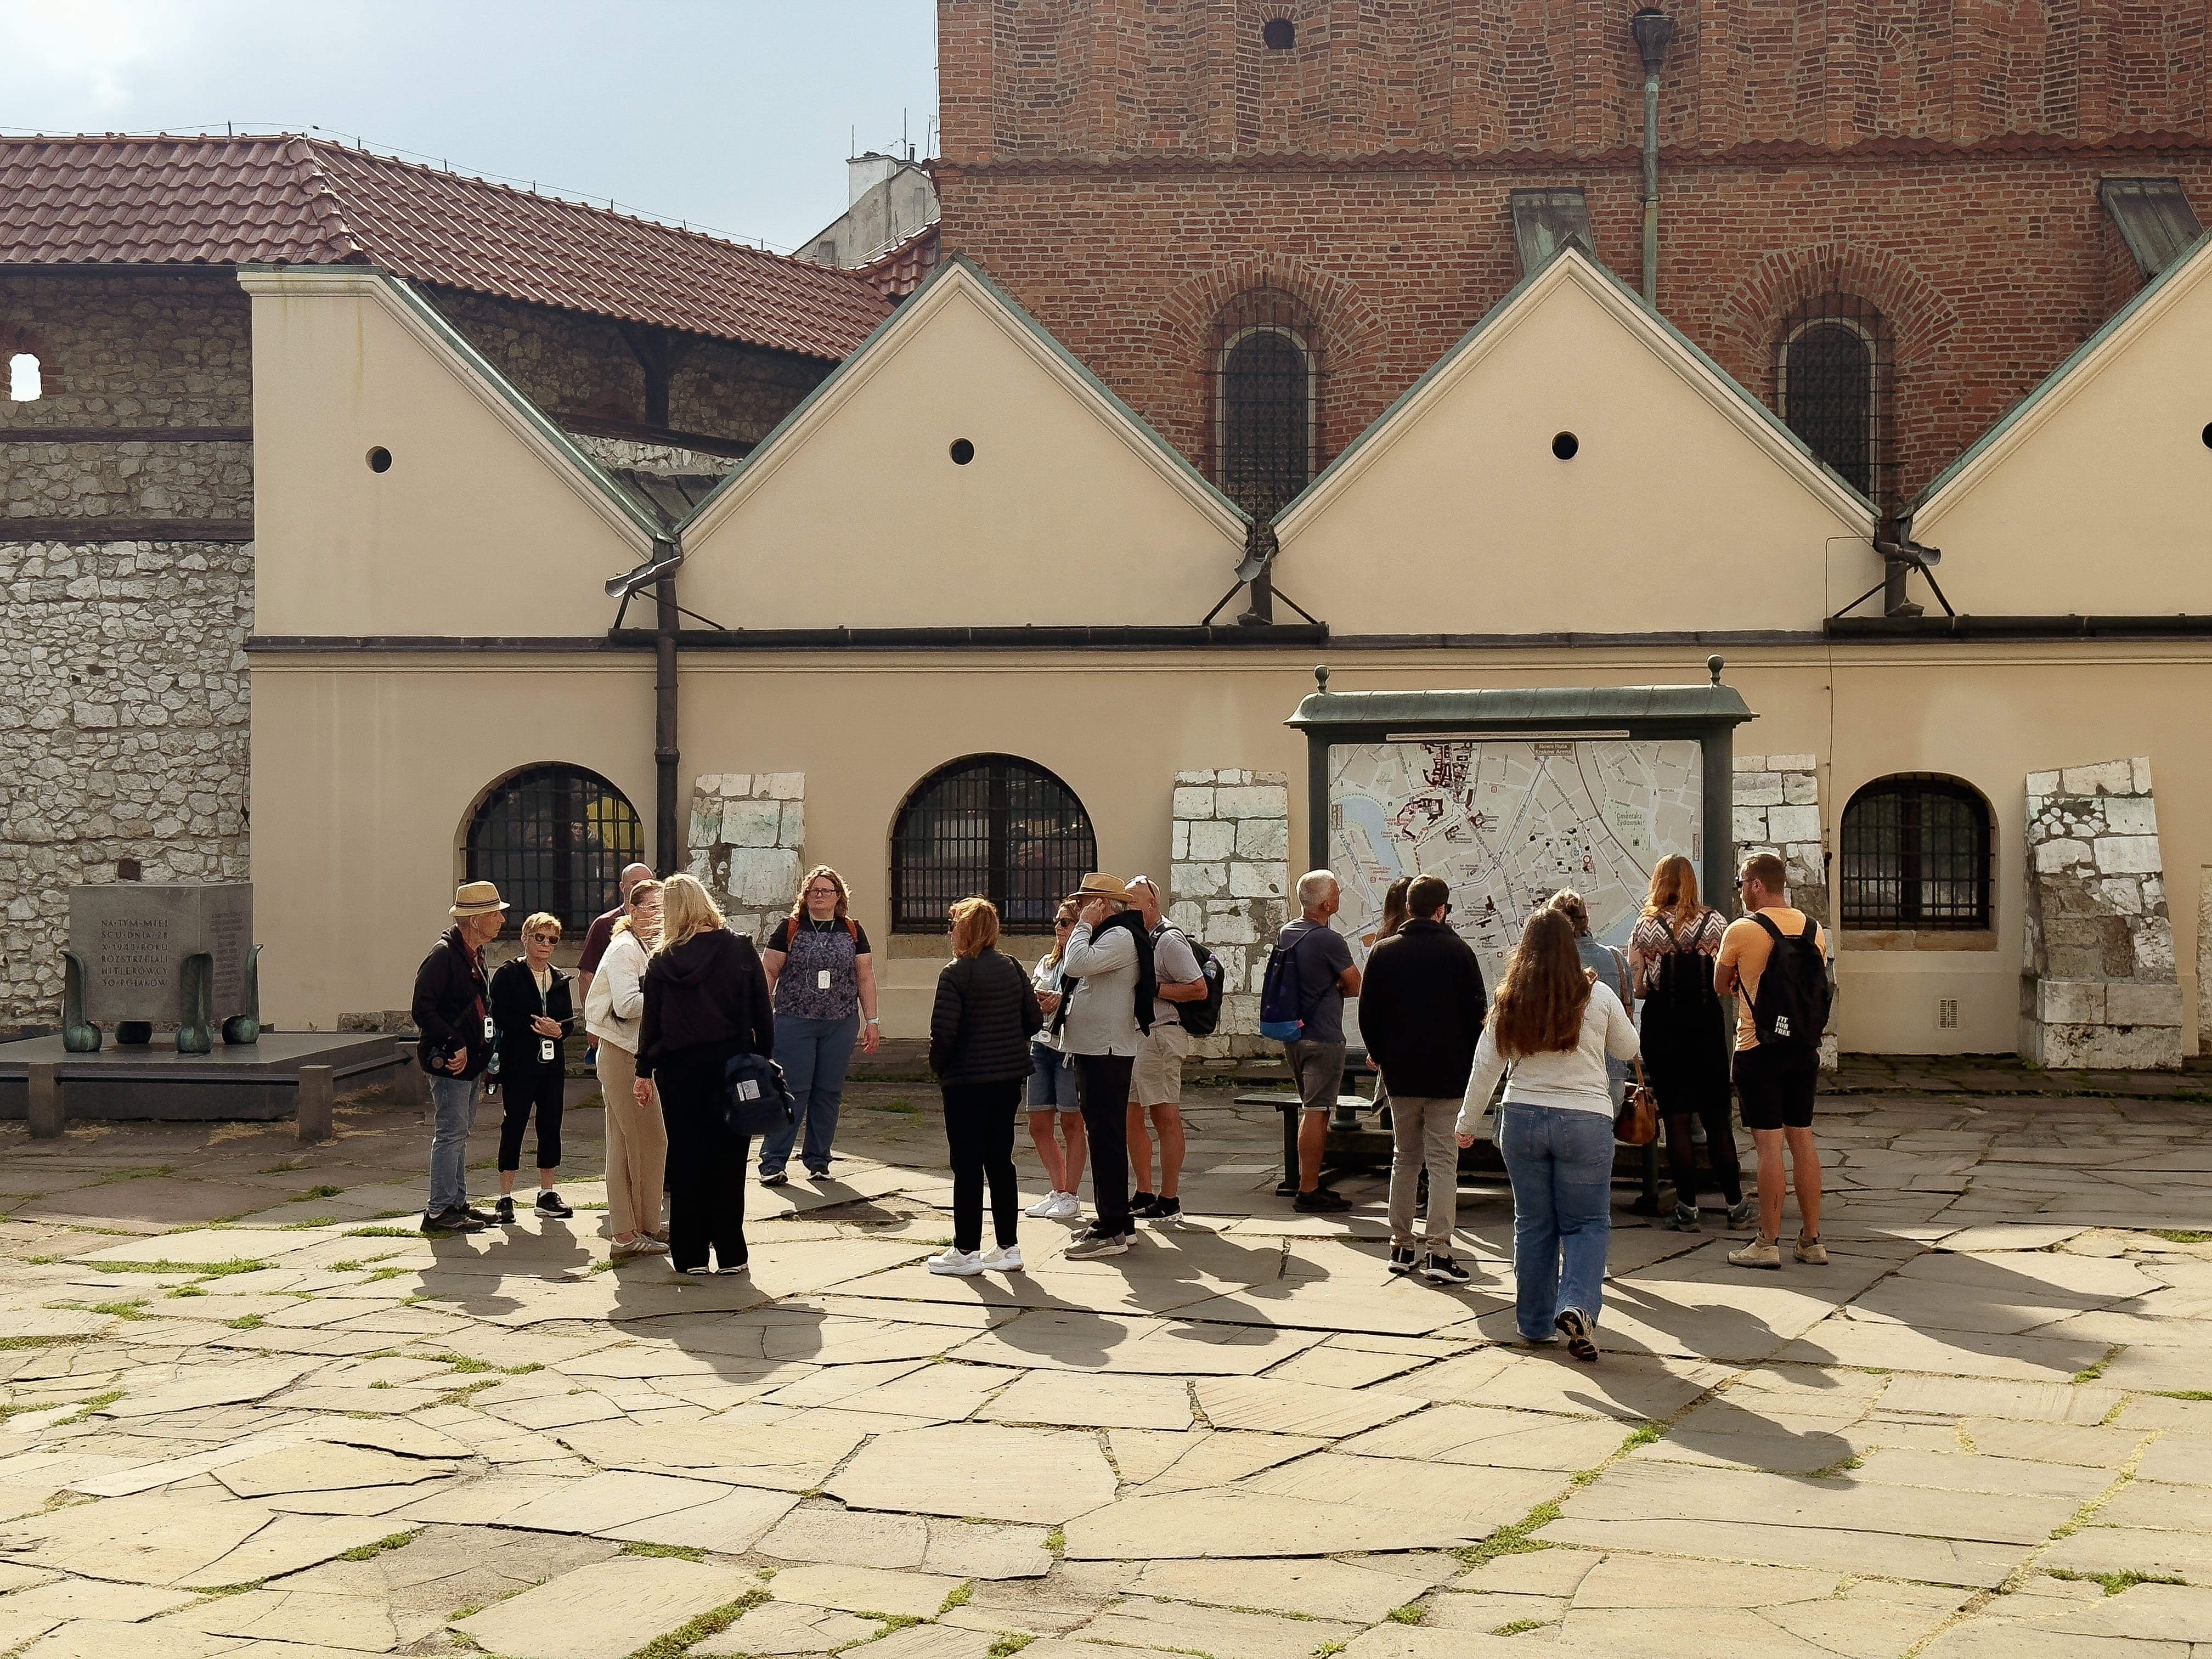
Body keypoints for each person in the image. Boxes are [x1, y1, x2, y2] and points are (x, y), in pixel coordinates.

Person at [1456, 906, 1638, 1363]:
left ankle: (1534, 1323)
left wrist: (1466, 1123)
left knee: (1533, 1223)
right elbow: (1628, 1047)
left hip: (1522, 1118)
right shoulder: (1597, 995)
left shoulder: (1510, 998)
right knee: (1586, 1223)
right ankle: (1577, 1304)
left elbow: (1486, 1067)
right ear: (1572, 946)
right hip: (1585, 1121)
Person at [634, 874, 773, 1276]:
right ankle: (731, 1253)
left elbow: (651, 1022)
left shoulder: (662, 960)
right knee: (729, 1161)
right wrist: (764, 1059)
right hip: (734, 1067)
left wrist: (643, 1071)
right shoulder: (739, 948)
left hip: (679, 1071)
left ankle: (690, 1255)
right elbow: (762, 1010)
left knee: (686, 1159)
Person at [1359, 874, 1487, 1284]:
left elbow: (1368, 1014)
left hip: (1401, 1075)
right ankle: (1439, 1251)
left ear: (1408, 907)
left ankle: (1401, 1245)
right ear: (1440, 910)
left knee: (1405, 1157)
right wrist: (1466, 1063)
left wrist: (1383, 1055)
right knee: (1443, 1161)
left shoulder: (1383, 952)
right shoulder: (1460, 952)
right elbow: (1478, 1016)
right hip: (1448, 1075)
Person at [1717, 853, 1831, 1271]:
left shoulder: (1742, 930)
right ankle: (1812, 1240)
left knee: (1769, 1146)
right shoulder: (1814, 931)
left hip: (1758, 1048)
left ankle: (1767, 1242)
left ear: (1757, 884)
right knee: (1803, 1140)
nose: (1740, 891)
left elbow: (1720, 983)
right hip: (1802, 1049)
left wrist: (1739, 980)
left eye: (1741, 883)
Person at [1628, 854, 1751, 1234]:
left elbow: (1638, 985)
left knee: (1677, 1119)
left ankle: (1687, 1209)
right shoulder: (1716, 923)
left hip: (1664, 1026)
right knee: (1716, 1119)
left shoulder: (1645, 925)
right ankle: (1736, 1206)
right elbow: (1729, 981)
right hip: (1706, 1025)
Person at [927, 896, 1045, 1274]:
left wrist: (939, 1067)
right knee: (1000, 1160)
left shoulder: (955, 974)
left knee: (966, 1164)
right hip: (1007, 1078)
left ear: (965, 930)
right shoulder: (1012, 967)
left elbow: (944, 1034)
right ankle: (1008, 1247)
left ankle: (966, 1251)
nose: (950, 933)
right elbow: (1033, 1020)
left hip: (965, 1081)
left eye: (953, 926)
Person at [758, 866, 881, 1184]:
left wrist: (872, 1020)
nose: (820, 896)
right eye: (814, 891)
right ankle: (773, 1161)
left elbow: (865, 977)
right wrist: (758, 1014)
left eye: (827, 891)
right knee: (793, 1089)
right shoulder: (789, 928)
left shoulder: (852, 930)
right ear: (805, 896)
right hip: (794, 1021)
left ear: (839, 897)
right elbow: (769, 971)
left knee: (828, 1092)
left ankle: (818, 1160)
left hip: (840, 1024)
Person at [1058, 872, 1153, 1260]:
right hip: (1096, 1049)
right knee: (1104, 1136)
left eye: (1085, 902)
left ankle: (1111, 1228)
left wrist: (1082, 925)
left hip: (1105, 1051)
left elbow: (1075, 964)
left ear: (1102, 905)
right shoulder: (1111, 934)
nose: (1078, 908)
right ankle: (1119, 1223)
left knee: (1106, 1138)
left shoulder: (1119, 936)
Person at [411, 881, 508, 1234]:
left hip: (471, 1061)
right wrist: (456, 1042)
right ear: (475, 920)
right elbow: (422, 1009)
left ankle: (456, 1204)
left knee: (459, 1133)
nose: (501, 920)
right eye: (495, 914)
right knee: (450, 1134)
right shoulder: (443, 956)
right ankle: (438, 1211)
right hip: (451, 1060)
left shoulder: (475, 954)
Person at [585, 878, 669, 1258]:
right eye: (651, 908)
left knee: (640, 1143)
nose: (658, 916)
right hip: (621, 1054)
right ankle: (625, 1234)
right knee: (635, 1144)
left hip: (632, 1054)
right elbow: (626, 1004)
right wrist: (669, 996)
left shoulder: (642, 948)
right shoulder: (624, 948)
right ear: (632, 911)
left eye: (663, 909)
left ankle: (644, 1225)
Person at [1273, 870, 1359, 1214]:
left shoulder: (1287, 933)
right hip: (1323, 1036)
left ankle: (1308, 1183)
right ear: (1326, 904)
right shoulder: (1329, 940)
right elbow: (1355, 984)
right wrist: (1336, 986)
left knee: (1311, 1108)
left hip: (1293, 1034)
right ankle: (1309, 1189)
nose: (1340, 894)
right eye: (1336, 890)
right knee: (1317, 1111)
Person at [1124, 875, 1207, 1227]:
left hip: (1160, 1036)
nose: (1127, 910)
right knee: (1131, 1116)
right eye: (1124, 904)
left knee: (1164, 1116)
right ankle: (1144, 1192)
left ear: (1152, 904)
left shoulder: (1169, 939)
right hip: (1137, 1038)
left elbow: (1198, 988)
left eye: (1132, 903)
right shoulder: (1136, 938)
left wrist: (1153, 989)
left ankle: (1169, 1199)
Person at [488, 912, 576, 1223]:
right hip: (519, 1063)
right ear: (525, 939)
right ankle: (505, 1196)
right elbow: (499, 1014)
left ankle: (547, 1193)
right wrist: (534, 1026)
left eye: (553, 939)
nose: (546, 944)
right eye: (540, 937)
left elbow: (568, 1021)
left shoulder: (559, 978)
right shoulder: (509, 974)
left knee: (551, 1125)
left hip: (551, 1065)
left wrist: (559, 1031)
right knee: (514, 1124)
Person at [1024, 901, 1087, 1223]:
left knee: (1072, 1123)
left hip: (1069, 1048)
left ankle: (1072, 1195)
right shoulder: (1047, 963)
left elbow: (1089, 1001)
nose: (1059, 928)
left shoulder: (1084, 962)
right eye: (1057, 922)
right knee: (1038, 1123)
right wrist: (1037, 1001)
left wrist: (1062, 1001)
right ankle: (1058, 1189)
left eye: (1066, 922)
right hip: (1041, 1045)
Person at [1549, 889, 1633, 1108]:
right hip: (1611, 1075)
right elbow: (1627, 1014)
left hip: (1560, 1078)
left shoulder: (1545, 963)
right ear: (1586, 920)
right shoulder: (1615, 959)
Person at [577, 862, 653, 1065]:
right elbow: (587, 977)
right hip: (615, 1029)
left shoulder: (660, 925)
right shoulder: (605, 925)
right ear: (622, 887)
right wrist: (592, 1024)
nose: (641, 887)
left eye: (647, 883)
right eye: (635, 883)